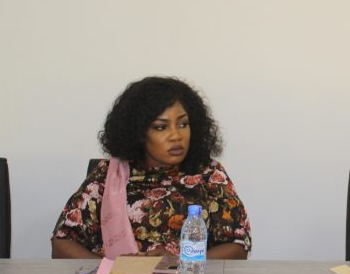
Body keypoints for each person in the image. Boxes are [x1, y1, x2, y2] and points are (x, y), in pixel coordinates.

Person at [51, 76, 251, 260]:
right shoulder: (110, 174)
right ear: (138, 133)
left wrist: (181, 262)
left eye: (183, 124)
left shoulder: (209, 174)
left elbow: (237, 246)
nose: (176, 136)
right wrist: (109, 270)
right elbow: (62, 242)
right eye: (161, 127)